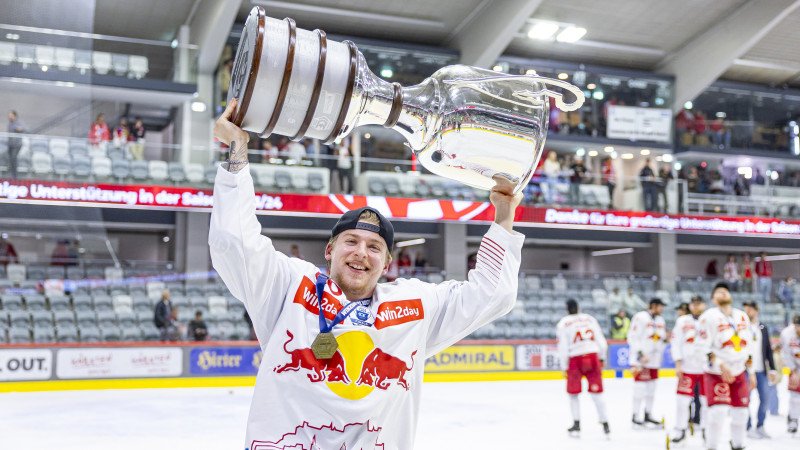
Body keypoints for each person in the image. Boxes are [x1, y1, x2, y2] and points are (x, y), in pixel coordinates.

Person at [209, 98, 524, 449]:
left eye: (374, 247)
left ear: (387, 263)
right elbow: (233, 243)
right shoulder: (289, 286)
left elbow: (491, 295)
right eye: (351, 241)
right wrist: (237, 152)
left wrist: (504, 214)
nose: (361, 252)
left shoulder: (414, 306)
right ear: (329, 250)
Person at [697, 282, 756, 450]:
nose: (722, 293)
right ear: (713, 299)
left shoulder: (742, 316)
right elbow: (702, 346)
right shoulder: (708, 316)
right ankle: (712, 446)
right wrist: (720, 364)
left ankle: (738, 445)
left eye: (725, 290)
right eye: (718, 292)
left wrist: (751, 372)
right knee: (718, 413)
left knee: (741, 414)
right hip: (717, 373)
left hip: (739, 371)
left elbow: (749, 346)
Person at [556, 299, 610, 436]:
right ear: (578, 307)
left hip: (575, 359)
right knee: (597, 393)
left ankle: (576, 423)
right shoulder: (589, 319)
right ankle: (605, 423)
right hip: (592, 356)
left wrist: (564, 367)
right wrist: (602, 358)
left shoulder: (563, 323)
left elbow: (562, 348)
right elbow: (602, 342)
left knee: (573, 394)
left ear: (567, 309)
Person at [670, 296, 708, 443]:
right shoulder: (682, 321)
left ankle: (706, 429)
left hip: (706, 369)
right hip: (687, 367)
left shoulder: (710, 319)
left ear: (704, 305)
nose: (696, 306)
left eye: (699, 303)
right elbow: (675, 343)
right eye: (694, 304)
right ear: (690, 306)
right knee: (682, 401)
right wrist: (678, 364)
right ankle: (680, 430)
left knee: (706, 402)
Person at [628, 298, 668, 427]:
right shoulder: (640, 317)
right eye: (661, 306)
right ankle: (635, 415)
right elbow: (632, 336)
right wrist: (640, 353)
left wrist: (664, 343)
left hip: (654, 360)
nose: (662, 309)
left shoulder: (660, 320)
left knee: (652, 389)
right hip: (641, 360)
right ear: (653, 306)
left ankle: (648, 414)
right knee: (639, 389)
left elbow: (660, 338)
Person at [742, 302, 778, 438]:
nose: (747, 312)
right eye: (746, 310)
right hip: (746, 370)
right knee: (746, 400)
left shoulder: (763, 327)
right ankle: (748, 426)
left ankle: (760, 425)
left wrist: (773, 368)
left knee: (765, 399)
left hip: (761, 370)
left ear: (756, 311)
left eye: (750, 309)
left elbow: (768, 349)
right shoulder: (742, 328)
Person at [779, 315, 800, 435]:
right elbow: (785, 353)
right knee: (795, 397)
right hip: (794, 366)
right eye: (797, 326)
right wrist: (793, 371)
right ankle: (793, 419)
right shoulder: (787, 333)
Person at [6, 110, 26, 179]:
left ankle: (14, 176)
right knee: (10, 159)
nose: (10, 117)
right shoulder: (9, 123)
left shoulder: (18, 122)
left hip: (16, 145)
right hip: (10, 144)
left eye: (11, 116)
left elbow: (24, 129)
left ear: (15, 116)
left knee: (14, 159)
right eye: (9, 116)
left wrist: (18, 129)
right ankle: (10, 174)